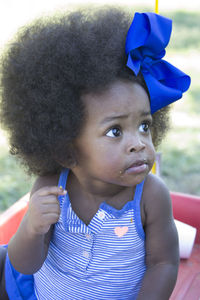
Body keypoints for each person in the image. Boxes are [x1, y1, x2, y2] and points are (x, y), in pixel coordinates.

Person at [0, 6, 190, 300]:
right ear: (66, 151)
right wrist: (32, 228)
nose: (138, 143)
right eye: (115, 131)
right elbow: (25, 263)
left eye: (143, 125)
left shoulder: (151, 196)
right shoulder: (53, 189)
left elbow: (163, 263)